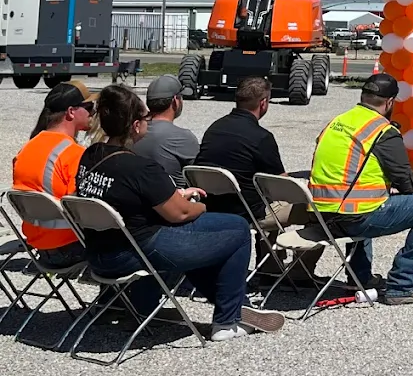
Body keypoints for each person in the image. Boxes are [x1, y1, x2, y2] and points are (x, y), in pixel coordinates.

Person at [74, 84, 285, 341]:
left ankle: (145, 308)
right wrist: (203, 204)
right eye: (145, 118)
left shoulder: (91, 156)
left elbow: (122, 198)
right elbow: (181, 214)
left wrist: (173, 197)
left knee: (193, 241)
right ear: (136, 125)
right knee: (236, 229)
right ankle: (227, 321)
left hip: (100, 253)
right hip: (134, 252)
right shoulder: (139, 166)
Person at [309, 73, 413, 305]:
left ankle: (359, 277)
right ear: (390, 102)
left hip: (321, 213)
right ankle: (403, 285)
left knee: (364, 199)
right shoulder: (382, 130)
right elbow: (407, 182)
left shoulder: (338, 121)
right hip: (352, 216)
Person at [195, 75, 321, 280]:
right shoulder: (261, 137)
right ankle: (301, 272)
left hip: (215, 206)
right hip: (248, 213)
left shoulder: (214, 128)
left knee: (263, 199)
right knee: (319, 210)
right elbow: (279, 184)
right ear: (263, 103)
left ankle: (270, 269)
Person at [11, 80, 93, 269]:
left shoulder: (28, 148)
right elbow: (86, 209)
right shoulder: (73, 154)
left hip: (39, 246)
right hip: (71, 247)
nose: (92, 113)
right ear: (71, 112)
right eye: (88, 107)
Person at [132, 75, 199, 187]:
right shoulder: (183, 137)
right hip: (173, 199)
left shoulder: (133, 131)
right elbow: (198, 175)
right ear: (175, 102)